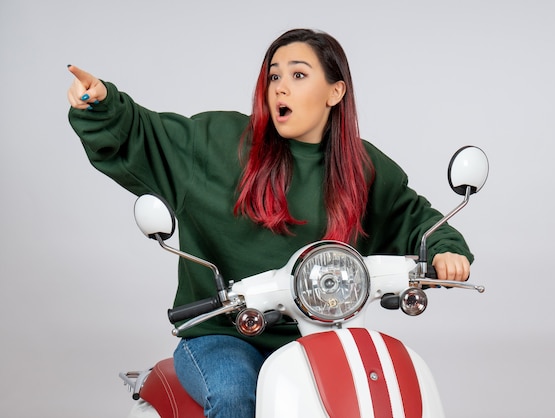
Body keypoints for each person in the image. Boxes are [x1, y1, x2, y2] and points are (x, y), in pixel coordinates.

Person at [67, 28, 473, 418]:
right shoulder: (220, 143)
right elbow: (144, 134)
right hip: (222, 336)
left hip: (320, 336)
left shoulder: (363, 168)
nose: (280, 86)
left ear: (336, 91)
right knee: (235, 395)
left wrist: (445, 249)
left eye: (298, 75)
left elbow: (415, 216)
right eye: (274, 76)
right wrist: (102, 106)